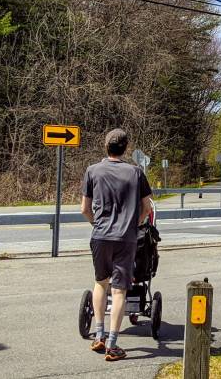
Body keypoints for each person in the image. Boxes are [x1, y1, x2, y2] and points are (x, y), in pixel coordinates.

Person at [80, 128, 152, 361]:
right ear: (125, 148)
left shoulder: (92, 171)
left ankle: (98, 335)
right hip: (126, 238)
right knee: (120, 290)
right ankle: (112, 343)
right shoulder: (136, 173)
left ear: (105, 146)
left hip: (100, 236)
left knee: (100, 284)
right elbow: (147, 206)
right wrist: (137, 224)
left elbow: (84, 209)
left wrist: (96, 224)